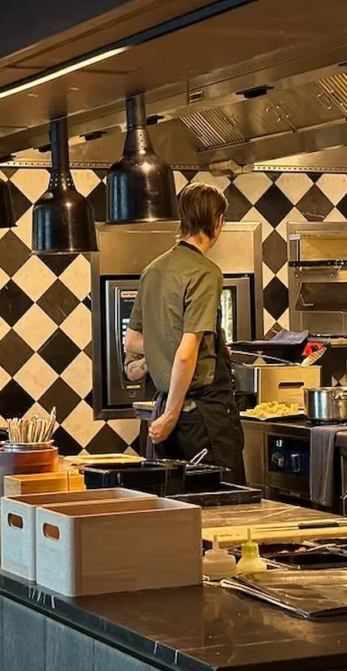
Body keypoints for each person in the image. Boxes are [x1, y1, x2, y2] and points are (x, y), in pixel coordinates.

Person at [123, 183, 246, 482]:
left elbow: (133, 339)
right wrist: (171, 415)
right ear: (217, 222)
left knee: (177, 509)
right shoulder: (205, 272)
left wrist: (162, 352)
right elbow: (186, 353)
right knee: (222, 506)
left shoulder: (153, 270)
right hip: (200, 417)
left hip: (166, 406)